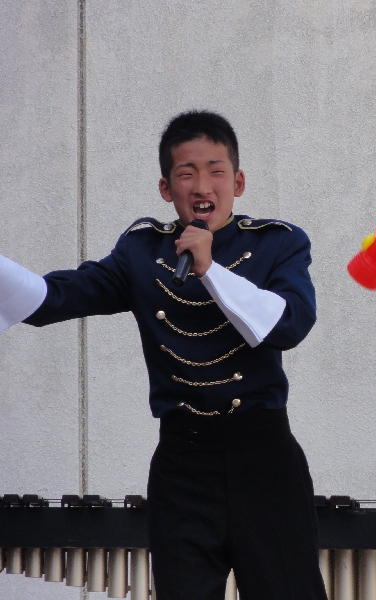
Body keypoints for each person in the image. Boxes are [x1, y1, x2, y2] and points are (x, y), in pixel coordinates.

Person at [0, 110, 327, 600]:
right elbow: (56, 298)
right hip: (182, 463)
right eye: (186, 173)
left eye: (216, 171)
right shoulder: (142, 251)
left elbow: (290, 324)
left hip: (264, 457)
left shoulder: (277, 243)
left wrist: (211, 269)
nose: (203, 187)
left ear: (238, 182)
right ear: (165, 188)